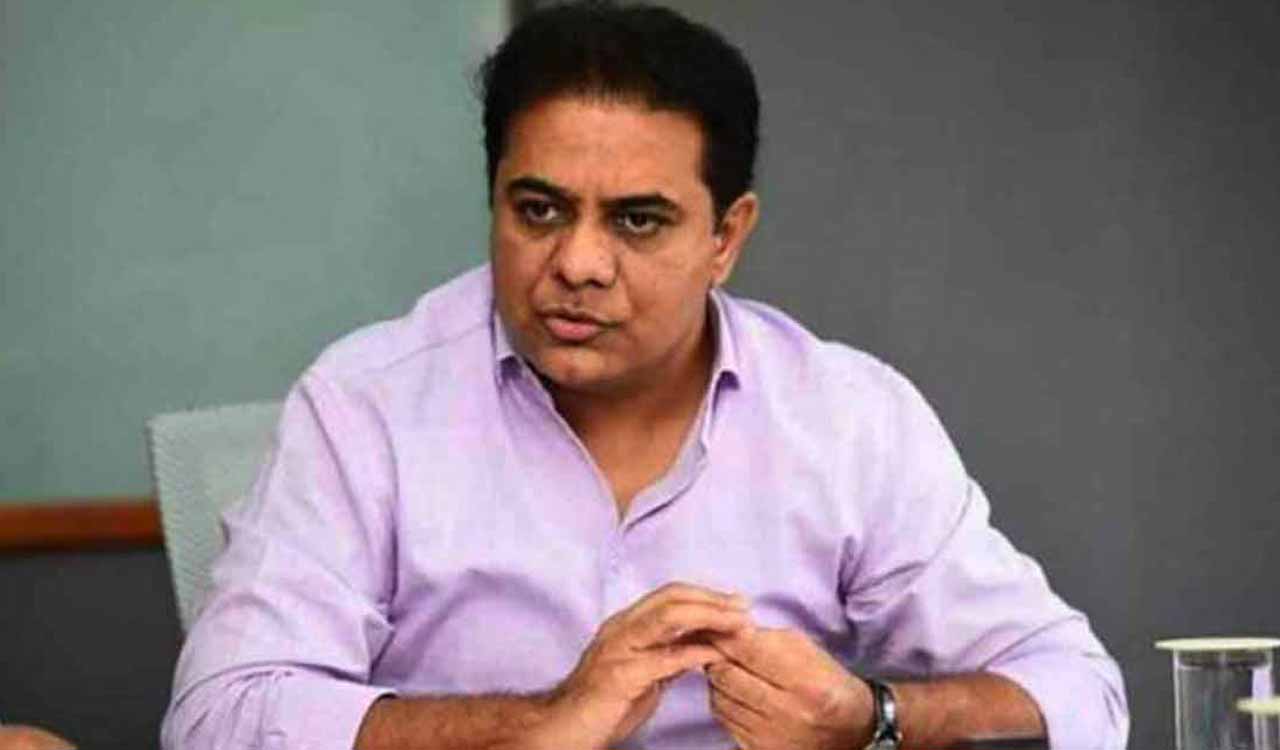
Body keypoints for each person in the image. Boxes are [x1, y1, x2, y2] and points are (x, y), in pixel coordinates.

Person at [161, 2, 1129, 749]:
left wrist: (872, 718)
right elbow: (217, 719)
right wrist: (545, 722)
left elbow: (1077, 690)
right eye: (538, 211)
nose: (578, 263)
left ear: (726, 238)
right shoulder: (364, 404)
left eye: (636, 221)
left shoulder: (846, 419)